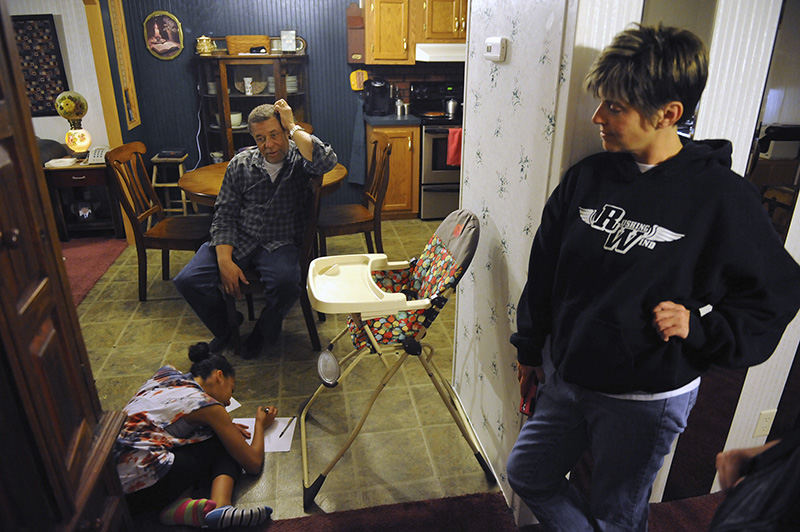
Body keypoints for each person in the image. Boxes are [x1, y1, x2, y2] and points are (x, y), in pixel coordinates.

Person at [505, 24, 800, 531]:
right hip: (569, 377)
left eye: (614, 107)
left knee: (617, 513)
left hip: (645, 399)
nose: (598, 117)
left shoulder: (722, 198)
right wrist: (531, 349)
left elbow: (775, 293)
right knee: (528, 473)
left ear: (669, 114)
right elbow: (547, 268)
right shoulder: (588, 176)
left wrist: (702, 327)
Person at [175, 100, 337, 359]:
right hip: (240, 238)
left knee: (286, 284)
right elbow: (224, 214)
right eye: (261, 138)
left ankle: (263, 330)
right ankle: (228, 328)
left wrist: (292, 124)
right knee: (187, 280)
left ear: (285, 132)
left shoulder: (300, 160)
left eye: (274, 135)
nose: (268, 145)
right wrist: (224, 259)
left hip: (279, 242)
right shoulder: (240, 164)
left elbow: (326, 160)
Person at [115, 342, 277, 528]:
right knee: (223, 443)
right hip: (145, 485)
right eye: (231, 390)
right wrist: (260, 424)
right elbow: (253, 464)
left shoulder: (165, 374)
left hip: (114, 486)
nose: (229, 400)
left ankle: (177, 506)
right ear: (219, 376)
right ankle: (221, 507)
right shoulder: (206, 404)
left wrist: (226, 426)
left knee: (212, 436)